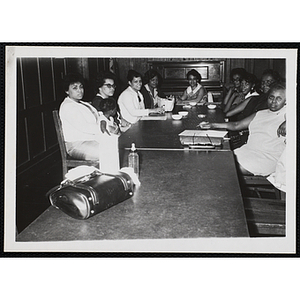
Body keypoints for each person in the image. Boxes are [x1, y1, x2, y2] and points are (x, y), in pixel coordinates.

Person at [200, 83, 286, 176]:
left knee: (227, 167)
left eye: (278, 99)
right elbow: (237, 125)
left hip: (268, 158)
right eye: (271, 97)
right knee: (216, 160)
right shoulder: (261, 113)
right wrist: (213, 125)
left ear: (286, 101)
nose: (273, 101)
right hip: (248, 151)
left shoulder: (288, 115)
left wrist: (288, 122)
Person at [59, 73, 102, 161]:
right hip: (77, 145)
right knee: (108, 151)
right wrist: (105, 128)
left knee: (116, 146)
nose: (80, 90)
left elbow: (98, 118)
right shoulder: (68, 106)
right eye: (75, 88)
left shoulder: (83, 103)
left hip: (92, 139)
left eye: (81, 87)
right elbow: (84, 127)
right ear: (67, 91)